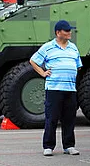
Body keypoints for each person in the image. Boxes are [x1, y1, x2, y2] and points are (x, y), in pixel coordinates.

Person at [30, 20, 83, 156]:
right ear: (58, 32)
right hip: (54, 88)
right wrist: (42, 73)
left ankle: (69, 145)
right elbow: (33, 60)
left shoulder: (73, 48)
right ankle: (48, 146)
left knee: (69, 118)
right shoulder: (48, 47)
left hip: (70, 89)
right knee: (52, 118)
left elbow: (78, 65)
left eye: (70, 30)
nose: (69, 33)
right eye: (66, 31)